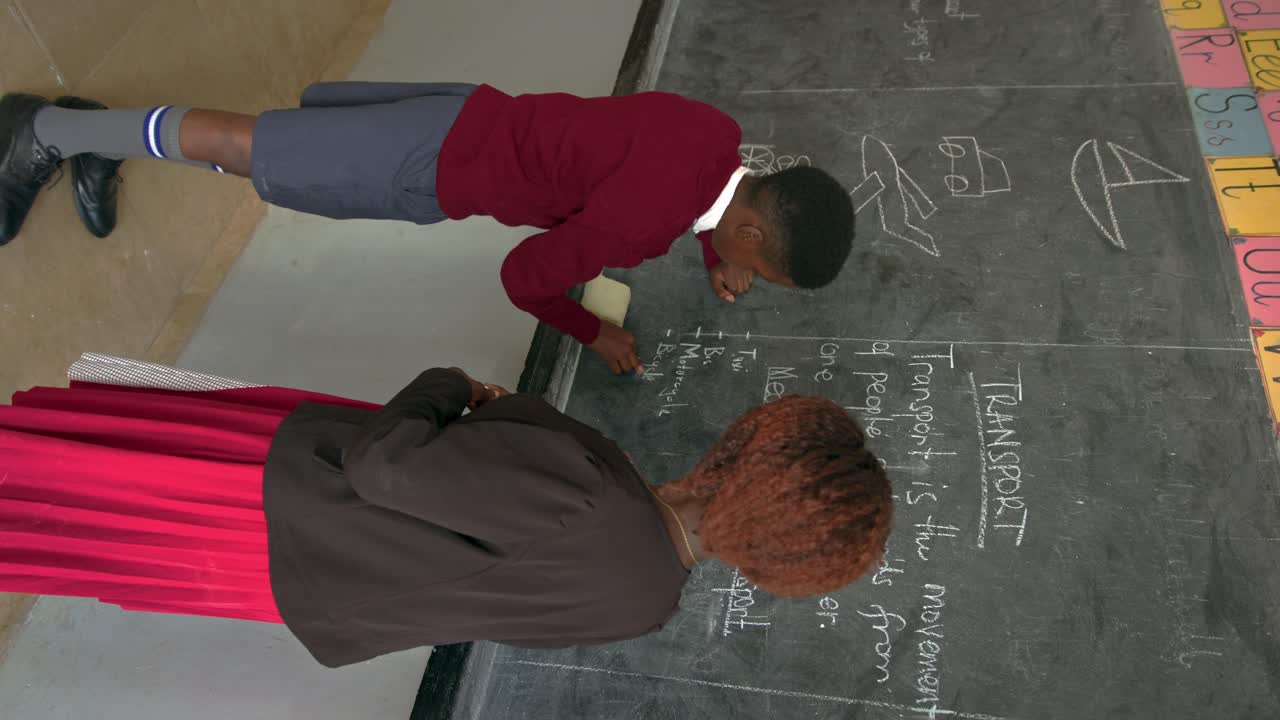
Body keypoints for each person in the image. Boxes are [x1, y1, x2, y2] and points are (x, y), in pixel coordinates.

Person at [0, 355, 892, 668]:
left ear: (743, 453)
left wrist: (453, 385)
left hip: (265, 499)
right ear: (779, 565)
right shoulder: (649, 605)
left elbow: (387, 465)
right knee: (65, 534)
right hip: (280, 585)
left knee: (60, 478)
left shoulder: (596, 495)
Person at [0, 84, 856, 373]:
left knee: (267, 156)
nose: (754, 279)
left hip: (469, 111)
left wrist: (709, 250)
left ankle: (95, 136)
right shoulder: (636, 229)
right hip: (434, 169)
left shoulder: (715, 135)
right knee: (250, 147)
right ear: (752, 242)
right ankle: (44, 130)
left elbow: (685, 190)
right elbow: (523, 277)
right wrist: (589, 331)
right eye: (764, 273)